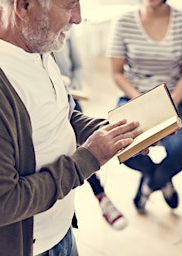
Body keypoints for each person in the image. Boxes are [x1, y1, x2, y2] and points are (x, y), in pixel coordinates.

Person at [0, 0, 147, 255]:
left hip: (62, 230)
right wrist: (90, 157)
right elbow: (2, 204)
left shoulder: (37, 41)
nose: (78, 18)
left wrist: (116, 133)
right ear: (23, 6)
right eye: (70, 5)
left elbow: (62, 116)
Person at [106, 0, 182, 213]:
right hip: (133, 97)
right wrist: (143, 102)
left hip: (175, 98)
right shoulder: (123, 21)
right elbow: (117, 73)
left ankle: (150, 183)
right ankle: (161, 179)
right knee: (126, 150)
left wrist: (171, 100)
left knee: (181, 150)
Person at [54, 29, 128, 230]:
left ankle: (101, 197)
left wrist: (70, 88)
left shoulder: (66, 33)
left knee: (82, 147)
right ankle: (101, 197)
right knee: (76, 153)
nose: (76, 18)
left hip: (70, 99)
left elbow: (78, 67)